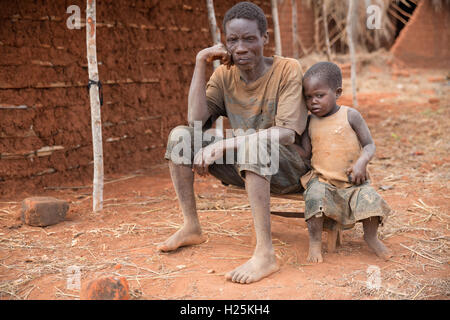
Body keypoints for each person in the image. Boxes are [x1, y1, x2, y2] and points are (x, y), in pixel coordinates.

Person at [159, 2, 309, 284]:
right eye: (233, 40)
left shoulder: (288, 69)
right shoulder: (224, 75)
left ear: (264, 38)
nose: (240, 47)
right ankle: (191, 226)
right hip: (247, 165)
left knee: (252, 145)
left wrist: (225, 144)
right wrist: (200, 62)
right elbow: (195, 120)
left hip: (290, 167)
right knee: (181, 137)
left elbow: (287, 133)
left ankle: (265, 254)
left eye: (249, 39)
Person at [295, 61, 392, 263]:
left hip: (353, 182)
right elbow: (305, 153)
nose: (313, 101)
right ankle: (314, 242)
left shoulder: (350, 115)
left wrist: (361, 163)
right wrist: (286, 142)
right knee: (313, 198)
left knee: (370, 199)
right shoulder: (309, 122)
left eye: (319, 95)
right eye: (308, 97)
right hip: (323, 181)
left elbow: (369, 146)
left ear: (337, 92)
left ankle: (371, 237)